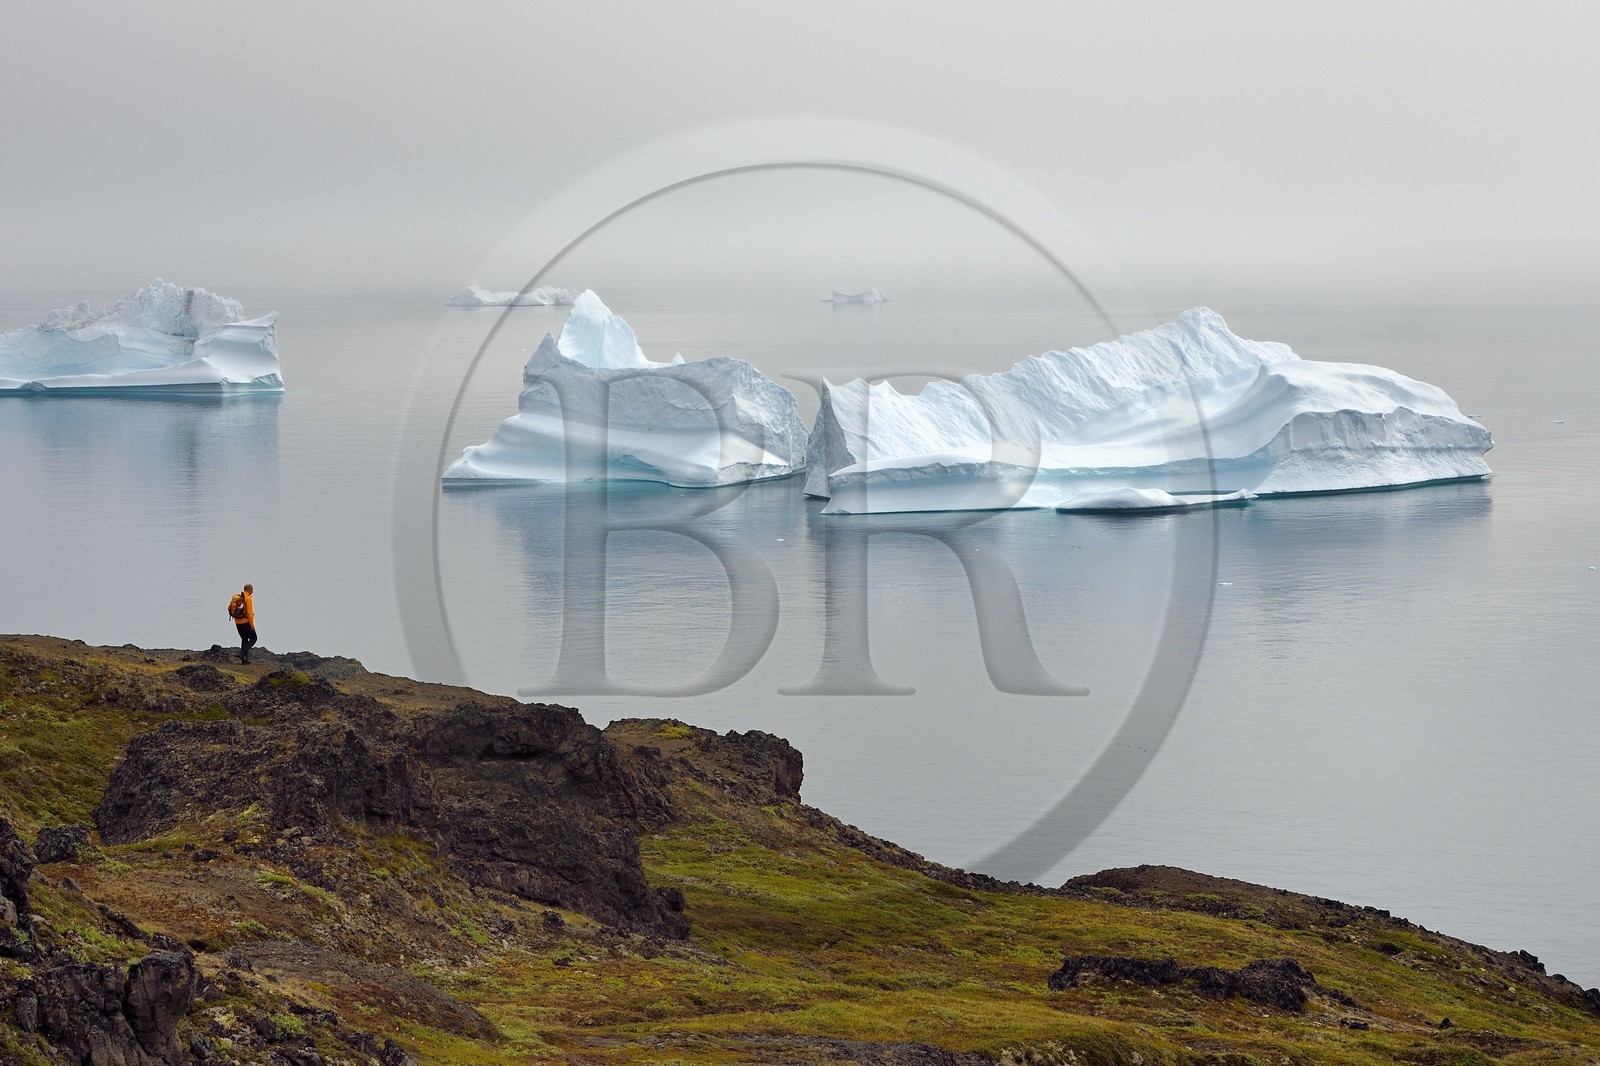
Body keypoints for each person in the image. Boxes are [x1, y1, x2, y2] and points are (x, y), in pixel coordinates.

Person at [229, 583, 257, 664]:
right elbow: (249, 613)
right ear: (249, 590)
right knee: (254, 638)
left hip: (237, 623)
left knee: (244, 638)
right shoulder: (248, 599)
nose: (253, 592)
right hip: (246, 623)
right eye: (252, 590)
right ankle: (242, 653)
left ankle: (244, 660)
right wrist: (252, 625)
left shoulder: (236, 598)